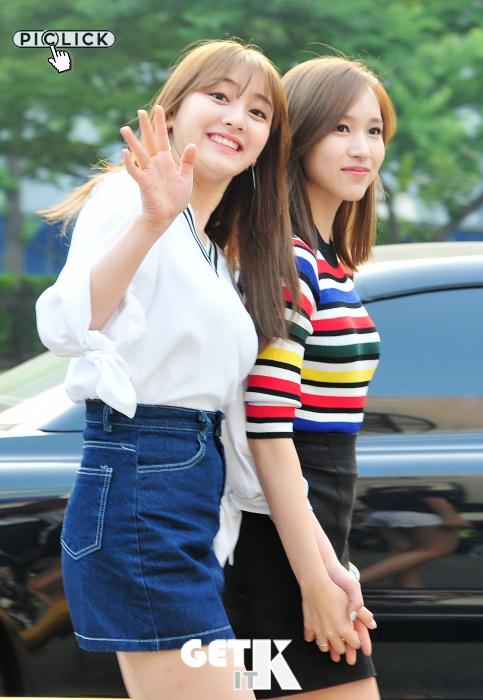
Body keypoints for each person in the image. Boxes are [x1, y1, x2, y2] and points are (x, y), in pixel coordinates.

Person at [35, 39, 301, 700]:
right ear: (173, 110)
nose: (237, 118)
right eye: (219, 96)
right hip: (141, 484)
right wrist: (150, 221)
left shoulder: (214, 253)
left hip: (185, 497)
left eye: (258, 112)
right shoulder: (130, 198)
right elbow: (68, 324)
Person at [223, 56, 397, 700]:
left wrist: (329, 563)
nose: (362, 149)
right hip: (279, 542)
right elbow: (269, 430)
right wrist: (315, 579)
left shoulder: (327, 261)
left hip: (312, 527)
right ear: (296, 138)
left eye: (374, 131)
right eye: (341, 129)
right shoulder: (292, 261)